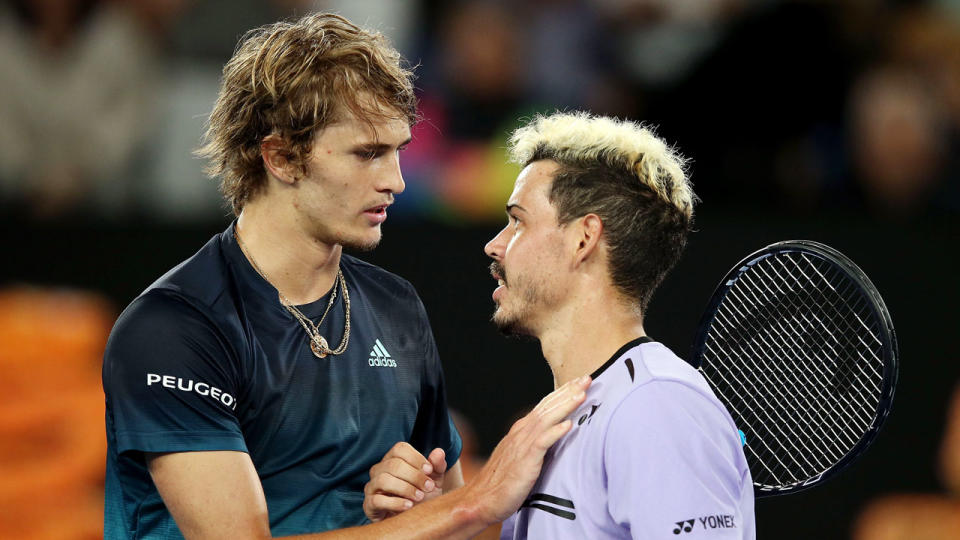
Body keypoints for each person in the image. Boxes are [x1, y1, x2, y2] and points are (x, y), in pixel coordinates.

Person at [101, 13, 591, 539]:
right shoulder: (174, 329)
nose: (396, 181)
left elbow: (450, 524)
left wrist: (415, 507)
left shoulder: (396, 305)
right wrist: (469, 504)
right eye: (367, 154)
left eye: (398, 151)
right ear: (282, 157)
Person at [364, 112, 756, 538]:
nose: (494, 245)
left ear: (583, 239)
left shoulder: (657, 405)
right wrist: (432, 520)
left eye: (518, 220)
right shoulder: (571, 415)